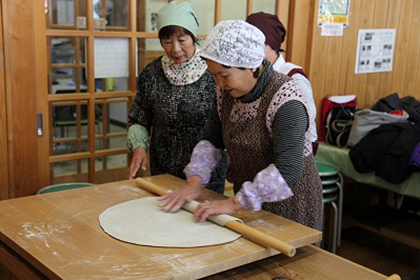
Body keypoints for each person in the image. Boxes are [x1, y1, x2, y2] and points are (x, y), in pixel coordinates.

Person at [160, 20, 323, 231]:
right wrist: (195, 182)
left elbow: (288, 168)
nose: (219, 84)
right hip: (247, 201)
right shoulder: (225, 93)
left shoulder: (287, 99)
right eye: (214, 75)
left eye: (225, 75)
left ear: (252, 66)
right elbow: (212, 140)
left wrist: (234, 203)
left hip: (292, 204)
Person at [127, 2, 226, 194]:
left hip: (206, 173)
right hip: (163, 168)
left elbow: (227, 120)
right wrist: (139, 147)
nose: (175, 49)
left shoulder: (212, 71)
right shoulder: (152, 73)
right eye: (167, 41)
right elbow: (139, 117)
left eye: (182, 40)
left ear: (193, 36)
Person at [246, 12, 318, 153]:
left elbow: (307, 122)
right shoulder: (250, 73)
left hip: (292, 155)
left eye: (256, 44)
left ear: (272, 43)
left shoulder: (294, 76)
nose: (250, 49)